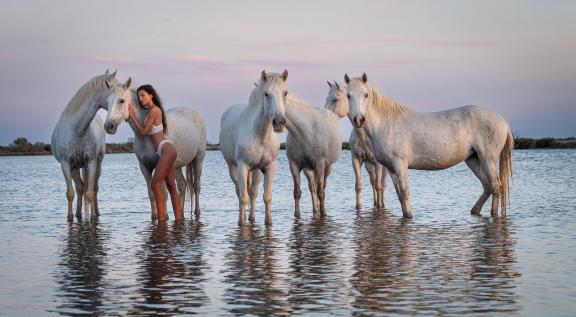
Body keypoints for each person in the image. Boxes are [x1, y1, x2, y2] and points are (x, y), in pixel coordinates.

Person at [128, 84, 183, 221]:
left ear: (151, 95)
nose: (140, 99)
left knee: (155, 184)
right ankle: (179, 220)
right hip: (165, 150)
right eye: (139, 96)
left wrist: (132, 116)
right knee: (171, 186)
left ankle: (162, 221)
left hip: (166, 150)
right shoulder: (151, 110)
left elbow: (143, 132)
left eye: (143, 95)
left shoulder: (154, 111)